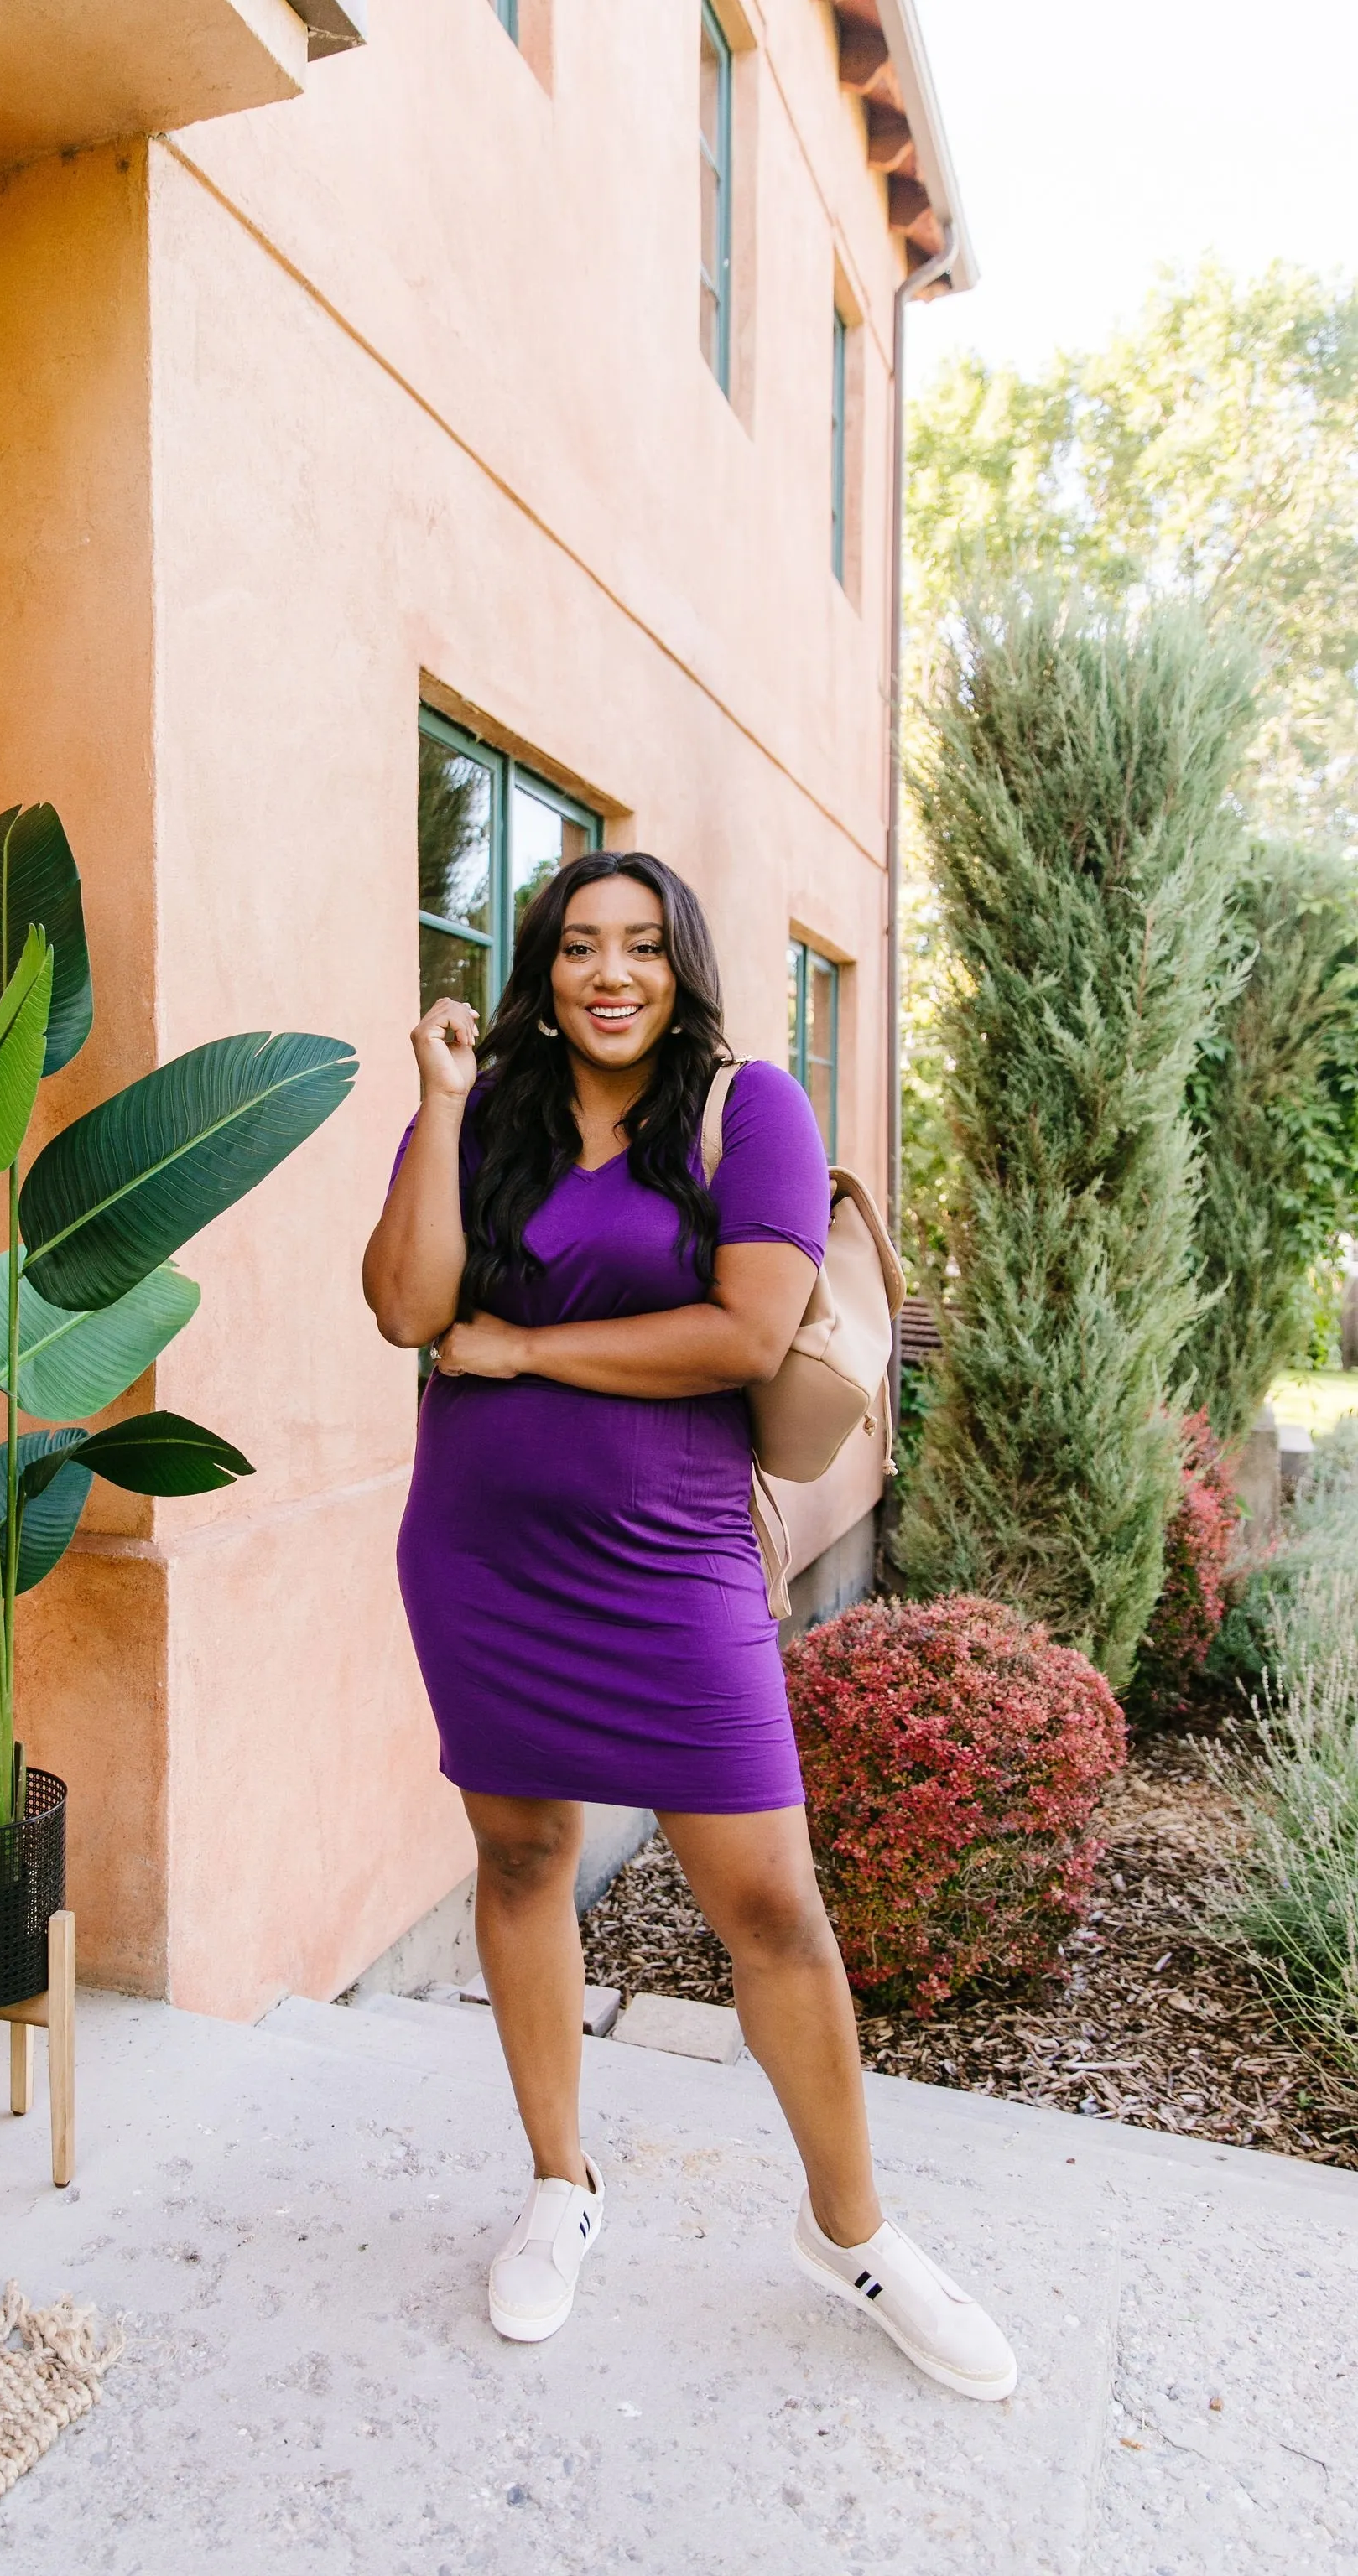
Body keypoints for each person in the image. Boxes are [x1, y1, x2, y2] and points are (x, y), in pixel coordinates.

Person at [362, 850, 1017, 2403]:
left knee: (772, 1909)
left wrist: (521, 1346)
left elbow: (741, 1330)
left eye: (642, 947)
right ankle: (558, 2184)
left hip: (674, 1565)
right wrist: (445, 1103)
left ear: (682, 965)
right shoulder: (491, 1112)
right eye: (580, 945)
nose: (611, 974)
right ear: (542, 964)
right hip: (481, 1556)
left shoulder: (750, 1110)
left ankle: (853, 2235)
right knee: (521, 1858)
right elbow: (403, 1307)